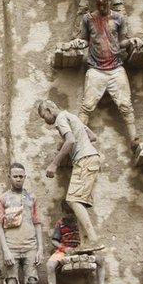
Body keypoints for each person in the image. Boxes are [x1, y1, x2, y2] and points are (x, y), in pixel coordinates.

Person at [74, 0, 140, 148]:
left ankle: (135, 139)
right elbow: (84, 40)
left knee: (126, 105)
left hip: (116, 68)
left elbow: (122, 40)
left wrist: (131, 41)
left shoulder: (118, 18)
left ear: (109, 1)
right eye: (98, 4)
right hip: (96, 69)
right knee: (87, 106)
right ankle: (77, 140)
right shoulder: (88, 19)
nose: (101, 6)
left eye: (104, 3)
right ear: (95, 3)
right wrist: (76, 43)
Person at [37, 100, 102, 253]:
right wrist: (66, 143)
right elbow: (92, 137)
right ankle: (86, 242)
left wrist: (54, 163)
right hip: (92, 158)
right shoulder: (72, 117)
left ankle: (93, 240)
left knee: (72, 200)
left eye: (43, 116)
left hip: (84, 160)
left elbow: (71, 140)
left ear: (49, 109)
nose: (45, 121)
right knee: (79, 203)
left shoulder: (60, 119)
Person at [0, 163, 43, 284]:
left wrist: (40, 249)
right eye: (15, 176)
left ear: (25, 177)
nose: (18, 179)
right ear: (9, 177)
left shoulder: (31, 198)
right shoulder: (3, 198)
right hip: (12, 249)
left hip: (30, 248)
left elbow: (37, 223)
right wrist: (5, 251)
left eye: (21, 176)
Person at [45, 207, 111, 284]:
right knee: (50, 265)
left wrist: (88, 247)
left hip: (81, 249)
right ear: (63, 212)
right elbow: (54, 241)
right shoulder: (60, 223)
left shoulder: (81, 222)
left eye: (72, 213)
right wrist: (64, 248)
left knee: (101, 260)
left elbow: (89, 237)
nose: (70, 215)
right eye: (67, 213)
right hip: (65, 250)